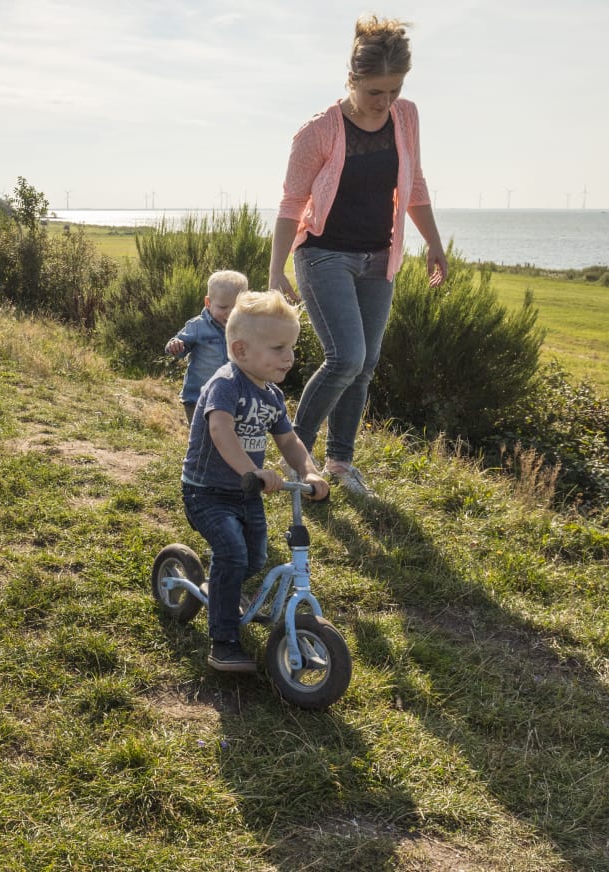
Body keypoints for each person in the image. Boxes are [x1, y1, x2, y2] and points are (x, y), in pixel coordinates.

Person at [267, 15, 447, 498]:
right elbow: (291, 203)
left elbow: (415, 184)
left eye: (393, 90)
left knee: (365, 365)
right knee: (345, 356)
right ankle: (296, 460)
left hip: (378, 258)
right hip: (324, 254)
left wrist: (432, 240)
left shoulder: (406, 117)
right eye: (375, 93)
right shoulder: (318, 132)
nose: (384, 102)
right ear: (352, 79)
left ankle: (341, 463)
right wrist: (276, 269)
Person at [181, 291, 328, 673]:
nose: (289, 356)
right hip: (206, 491)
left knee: (256, 557)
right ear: (241, 350)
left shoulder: (273, 396)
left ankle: (222, 588)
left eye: (292, 347)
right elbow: (220, 430)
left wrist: (309, 471)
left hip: (246, 494)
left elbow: (289, 440)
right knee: (233, 553)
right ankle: (224, 641)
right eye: (278, 347)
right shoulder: (225, 384)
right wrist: (253, 470)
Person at [164, 270, 247, 423]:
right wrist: (176, 346)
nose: (229, 314)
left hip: (232, 399)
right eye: (223, 307)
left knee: (227, 440)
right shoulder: (198, 326)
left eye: (236, 308)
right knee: (201, 441)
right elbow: (180, 346)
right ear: (208, 303)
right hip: (198, 398)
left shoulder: (245, 329)